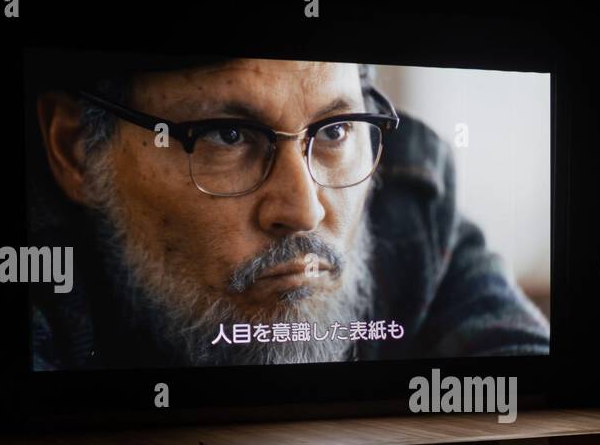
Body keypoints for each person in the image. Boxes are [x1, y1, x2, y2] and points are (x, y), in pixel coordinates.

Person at [28, 54, 549, 369]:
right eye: (227, 135)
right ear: (76, 149)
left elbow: (531, 388)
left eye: (334, 130)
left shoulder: (408, 190)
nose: (304, 210)